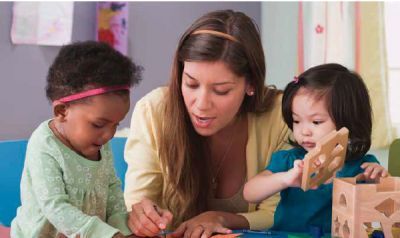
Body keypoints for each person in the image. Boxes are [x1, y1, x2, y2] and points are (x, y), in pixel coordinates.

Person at [123, 10, 291, 238]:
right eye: (191, 84)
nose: (201, 105)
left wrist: (220, 218)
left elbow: (280, 212)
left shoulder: (282, 116)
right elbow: (139, 202)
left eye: (221, 90)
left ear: (251, 84)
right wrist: (143, 217)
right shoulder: (153, 111)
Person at [11, 41, 142, 238]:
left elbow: (112, 187)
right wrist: (108, 235)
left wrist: (121, 228)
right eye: (98, 124)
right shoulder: (44, 145)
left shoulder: (98, 141)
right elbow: (54, 206)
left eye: (116, 125)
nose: (109, 135)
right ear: (62, 112)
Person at [243, 63, 389, 232]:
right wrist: (285, 179)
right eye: (296, 121)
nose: (304, 131)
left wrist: (379, 181)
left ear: (349, 120)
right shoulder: (289, 160)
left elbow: (386, 211)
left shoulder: (363, 166)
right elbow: (250, 193)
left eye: (316, 122)